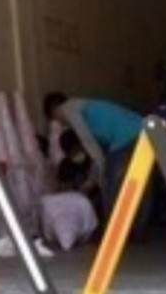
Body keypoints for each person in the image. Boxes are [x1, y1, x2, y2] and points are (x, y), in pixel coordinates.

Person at [44, 93, 152, 236]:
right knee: (140, 182)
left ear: (56, 110)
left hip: (125, 138)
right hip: (143, 131)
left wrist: (92, 182)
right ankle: (138, 230)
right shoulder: (86, 105)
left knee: (110, 184)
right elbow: (99, 153)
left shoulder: (69, 109)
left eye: (57, 119)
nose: (61, 123)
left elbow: (92, 149)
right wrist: (92, 179)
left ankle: (113, 231)